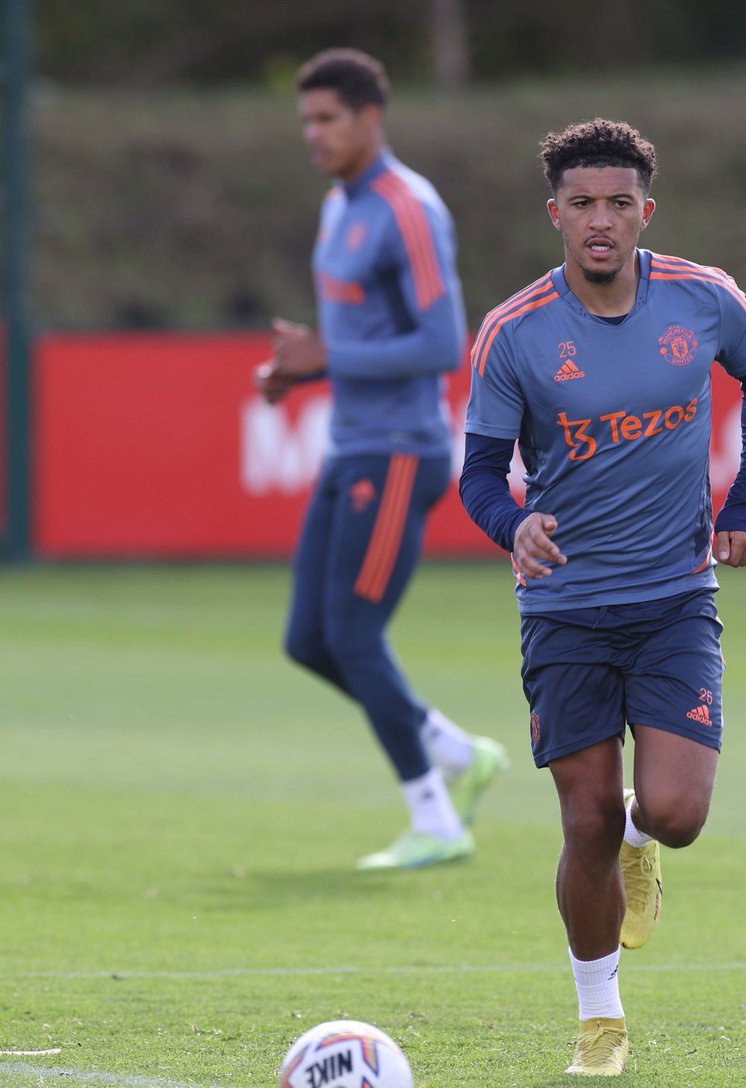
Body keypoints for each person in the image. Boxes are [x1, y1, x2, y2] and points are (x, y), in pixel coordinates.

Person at [460, 119, 746, 1074]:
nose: (599, 221)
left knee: (674, 814)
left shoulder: (705, 299)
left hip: (675, 598)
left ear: (646, 210)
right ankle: (599, 1019)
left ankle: (647, 839)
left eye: (618, 203)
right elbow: (480, 471)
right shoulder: (515, 332)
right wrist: (509, 525)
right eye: (581, 204)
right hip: (564, 608)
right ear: (554, 213)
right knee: (586, 817)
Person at [253, 47, 507, 870]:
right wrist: (304, 367)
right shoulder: (339, 205)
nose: (314, 134)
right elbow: (360, 337)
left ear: (371, 118)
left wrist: (323, 357)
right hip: (352, 445)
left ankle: (436, 817)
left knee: (355, 635)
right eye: (306, 121)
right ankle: (459, 753)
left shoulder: (408, 208)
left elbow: (442, 343)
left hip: (401, 452)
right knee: (308, 640)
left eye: (327, 118)